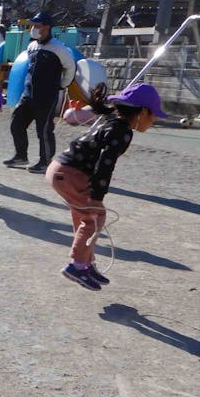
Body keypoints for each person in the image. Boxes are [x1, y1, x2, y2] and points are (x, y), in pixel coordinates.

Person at [47, 82, 165, 291]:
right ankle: (77, 265)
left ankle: (87, 263)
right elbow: (105, 163)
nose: (154, 120)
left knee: (84, 216)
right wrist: (97, 196)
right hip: (70, 173)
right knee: (95, 216)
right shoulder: (123, 131)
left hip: (61, 169)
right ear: (143, 112)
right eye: (153, 116)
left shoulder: (114, 123)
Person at [3, 11, 76, 173]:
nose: (34, 29)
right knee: (16, 122)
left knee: (43, 130)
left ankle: (45, 162)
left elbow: (70, 68)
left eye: (38, 25)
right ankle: (21, 156)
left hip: (46, 97)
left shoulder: (58, 48)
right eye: (33, 25)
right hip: (28, 94)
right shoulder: (32, 46)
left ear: (47, 27)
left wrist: (62, 85)